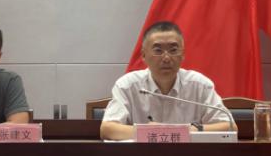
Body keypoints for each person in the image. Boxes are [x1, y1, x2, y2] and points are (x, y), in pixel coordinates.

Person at [100, 20, 236, 141]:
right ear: (143, 55)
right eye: (158, 50)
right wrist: (151, 132)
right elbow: (107, 129)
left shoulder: (200, 85)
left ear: (183, 54)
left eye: (173, 50)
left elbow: (230, 127)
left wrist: (188, 130)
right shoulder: (127, 85)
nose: (166, 58)